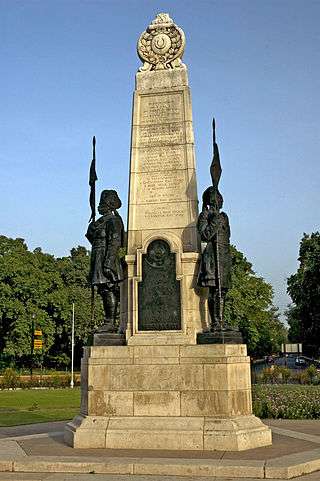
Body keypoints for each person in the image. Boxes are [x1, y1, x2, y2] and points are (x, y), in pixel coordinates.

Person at [86, 189, 125, 332]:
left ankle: (110, 322)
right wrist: (92, 228)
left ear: (109, 204)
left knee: (108, 289)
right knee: (103, 290)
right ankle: (108, 321)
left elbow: (115, 242)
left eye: (102, 202)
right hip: (98, 257)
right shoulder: (101, 221)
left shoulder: (114, 221)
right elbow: (93, 239)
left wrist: (108, 263)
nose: (99, 205)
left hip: (106, 258)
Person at [197, 186, 231, 331]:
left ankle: (222, 320)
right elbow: (205, 235)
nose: (218, 199)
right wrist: (214, 221)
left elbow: (227, 235)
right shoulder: (204, 215)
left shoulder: (224, 216)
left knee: (222, 291)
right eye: (215, 197)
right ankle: (215, 322)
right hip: (212, 256)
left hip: (223, 255)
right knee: (214, 291)